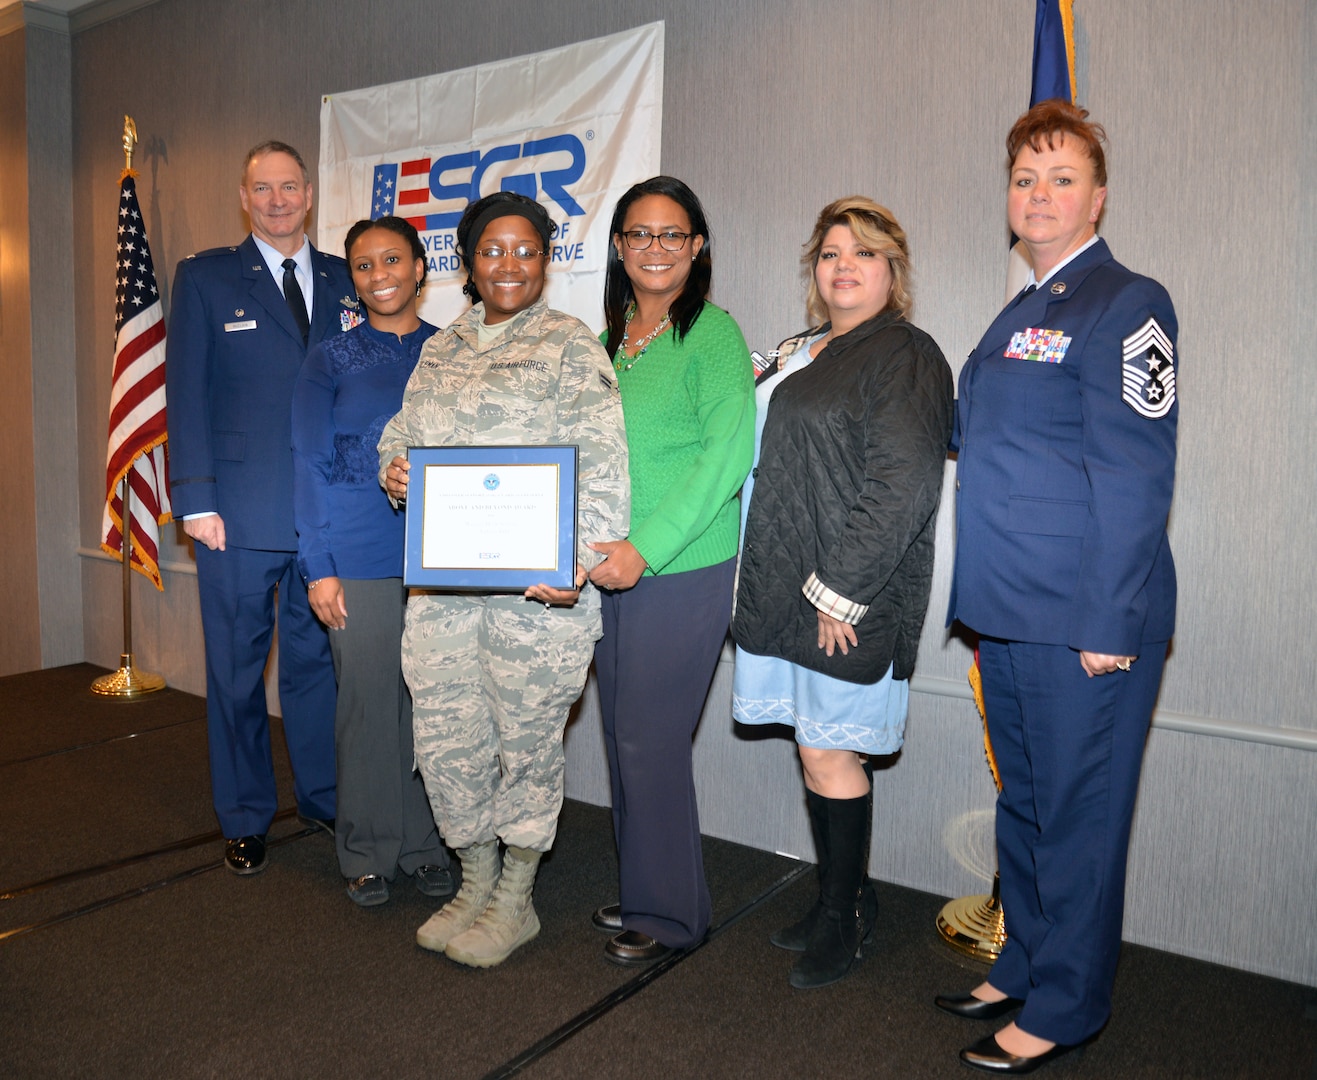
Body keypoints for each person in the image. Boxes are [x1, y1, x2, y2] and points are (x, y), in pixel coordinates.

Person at [937, 100, 1178, 1075]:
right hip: (1009, 609)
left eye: (1061, 178)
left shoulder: (1127, 301)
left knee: (1078, 817)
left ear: (1099, 195)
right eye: (1026, 178)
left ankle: (1069, 1005)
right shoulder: (1019, 309)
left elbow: (1135, 476)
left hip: (1085, 618)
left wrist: (1110, 620)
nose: (1040, 194)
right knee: (1027, 806)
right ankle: (1028, 959)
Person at [377, 191, 629, 968]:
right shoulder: (441, 347)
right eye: (492, 250)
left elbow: (604, 467)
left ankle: (515, 897)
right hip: (443, 596)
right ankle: (473, 879)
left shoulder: (569, 344)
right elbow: (403, 433)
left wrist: (576, 567)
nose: (508, 263)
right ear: (469, 263)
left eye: (525, 249)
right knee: (448, 735)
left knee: (525, 741)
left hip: (536, 598)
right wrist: (393, 469)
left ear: (545, 261)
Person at [731, 196, 953, 989]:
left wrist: (840, 590)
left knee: (830, 750)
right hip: (782, 581)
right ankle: (841, 895)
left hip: (843, 593)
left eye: (861, 253)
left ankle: (844, 918)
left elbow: (904, 484)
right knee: (811, 748)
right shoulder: (807, 350)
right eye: (828, 253)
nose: (842, 266)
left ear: (892, 271)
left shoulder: (906, 353)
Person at [166, 140, 356, 875]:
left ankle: (321, 796)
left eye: (289, 187)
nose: (277, 200)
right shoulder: (208, 278)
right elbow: (185, 393)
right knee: (237, 674)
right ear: (243, 197)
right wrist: (195, 502)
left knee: (315, 670)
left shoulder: (346, 278)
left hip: (325, 518)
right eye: (261, 188)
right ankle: (244, 815)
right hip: (235, 519)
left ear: (308, 194)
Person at [587, 177, 755, 966]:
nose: (654, 248)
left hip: (678, 567)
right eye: (639, 234)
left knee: (649, 738)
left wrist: (644, 547)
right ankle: (651, 886)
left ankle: (671, 918)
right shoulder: (613, 335)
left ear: (697, 248)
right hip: (608, 566)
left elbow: (726, 459)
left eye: (671, 235)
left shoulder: (712, 335)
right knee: (622, 734)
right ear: (619, 247)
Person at [291, 216, 453, 907]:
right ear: (351, 277)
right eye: (363, 264)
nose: (379, 274)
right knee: (364, 705)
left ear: (420, 267)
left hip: (443, 559)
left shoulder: (454, 353)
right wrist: (317, 565)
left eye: (393, 259)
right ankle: (364, 848)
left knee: (427, 707)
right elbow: (306, 463)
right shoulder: (329, 358)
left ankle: (422, 843)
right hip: (354, 554)